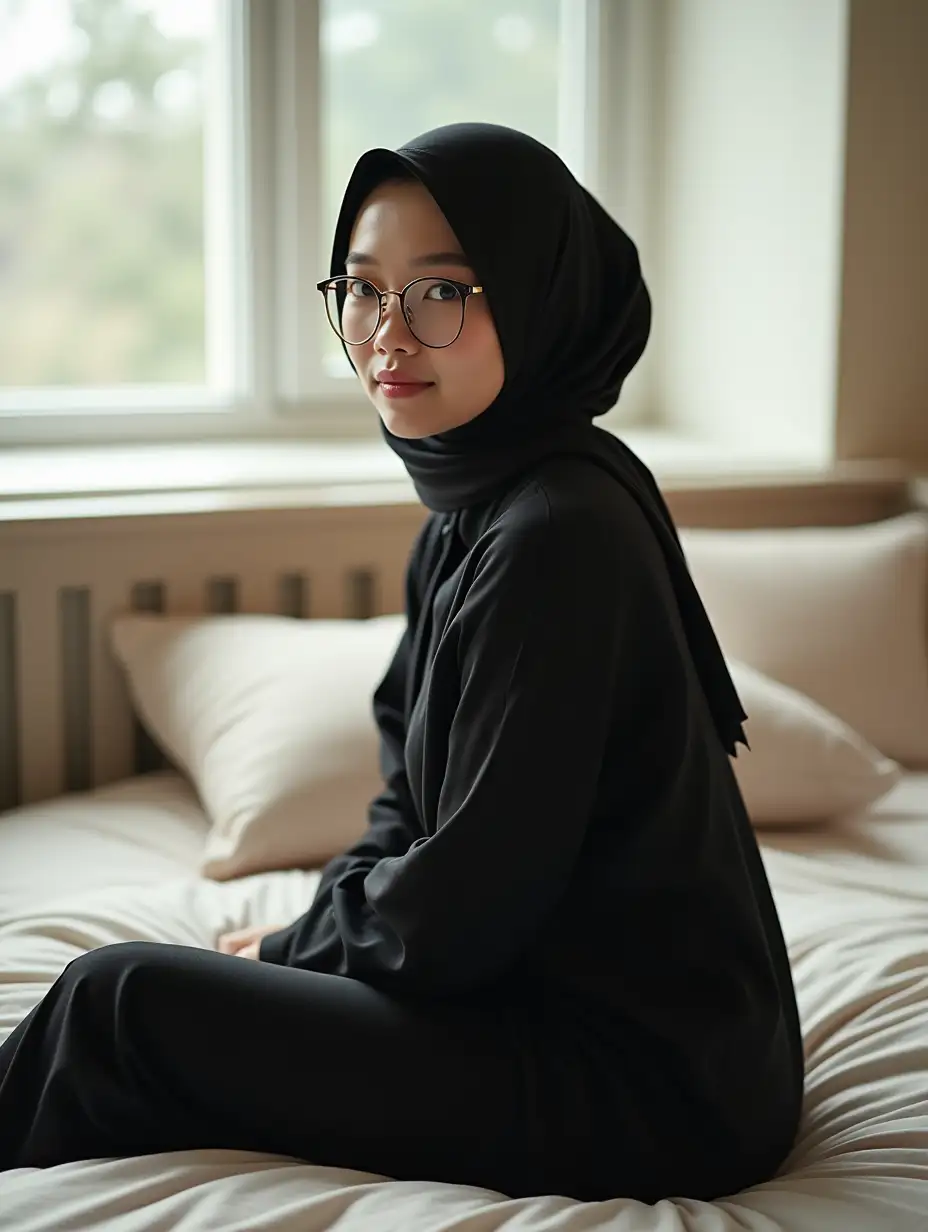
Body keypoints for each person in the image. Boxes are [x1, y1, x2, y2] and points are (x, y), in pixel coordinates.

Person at [0, 122, 804, 1204]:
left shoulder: (558, 532)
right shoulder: (477, 508)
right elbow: (410, 802)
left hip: (644, 1083)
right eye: (363, 289)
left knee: (120, 999)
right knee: (142, 1003)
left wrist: (288, 952)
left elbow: (465, 895)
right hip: (537, 997)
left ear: (532, 297)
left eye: (440, 293)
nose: (386, 333)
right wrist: (311, 940)